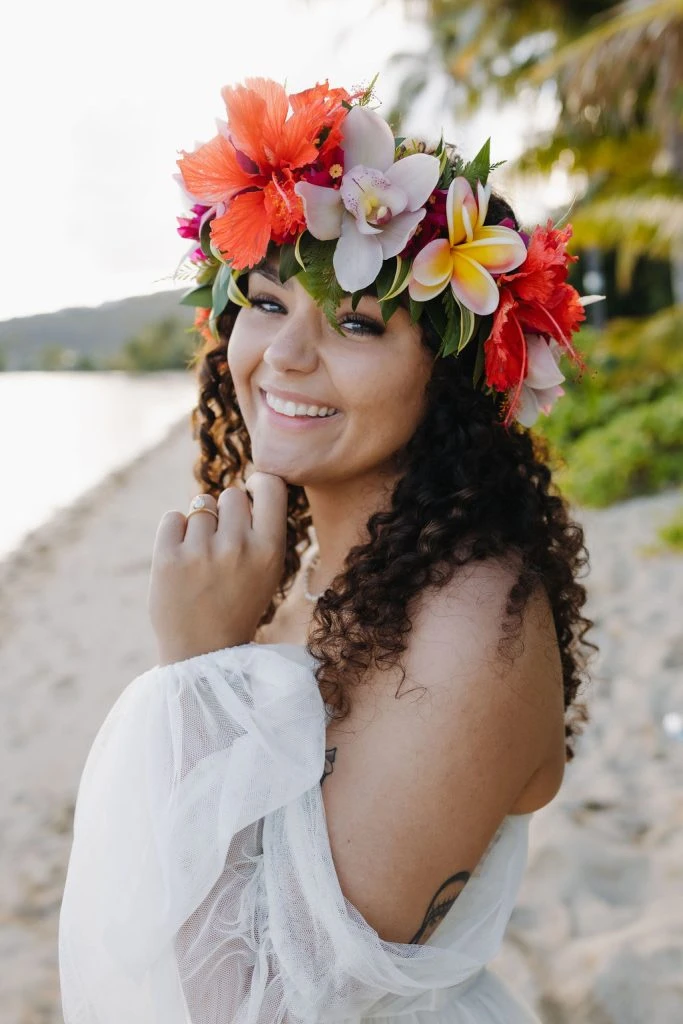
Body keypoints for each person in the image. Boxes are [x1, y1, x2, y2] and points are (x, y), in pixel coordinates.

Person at [58, 76, 598, 1023]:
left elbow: (255, 1006)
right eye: (266, 304)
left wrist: (196, 666)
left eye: (355, 323)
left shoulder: (472, 629)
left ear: (456, 379)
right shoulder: (318, 569)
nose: (287, 357)